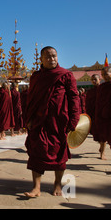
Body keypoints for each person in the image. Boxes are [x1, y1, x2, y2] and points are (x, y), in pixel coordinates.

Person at [24, 46, 80, 198]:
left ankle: (57, 183)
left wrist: (74, 120)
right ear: (41, 59)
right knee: (35, 152)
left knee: (59, 153)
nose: (52, 59)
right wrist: (28, 119)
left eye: (54, 56)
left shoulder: (65, 75)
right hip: (38, 121)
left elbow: (74, 98)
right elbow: (31, 99)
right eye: (48, 57)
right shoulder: (36, 77)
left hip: (59, 121)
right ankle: (36, 188)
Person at [85, 74, 105, 159]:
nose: (94, 81)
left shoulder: (104, 90)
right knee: (97, 134)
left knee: (103, 135)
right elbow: (87, 104)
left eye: (95, 79)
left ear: (100, 79)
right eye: (92, 79)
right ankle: (101, 147)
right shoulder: (90, 91)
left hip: (103, 115)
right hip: (93, 115)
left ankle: (102, 153)